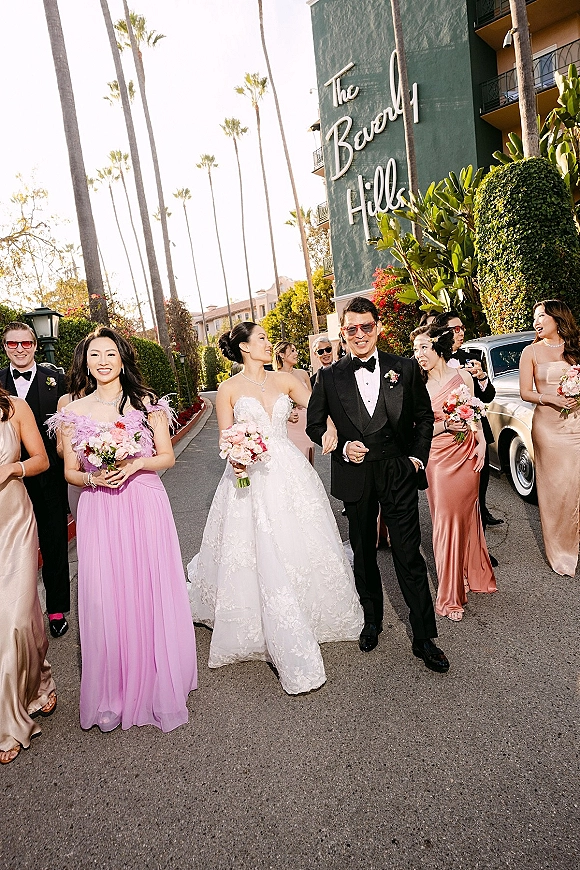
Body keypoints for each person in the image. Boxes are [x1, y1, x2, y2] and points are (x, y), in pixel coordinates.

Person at [187, 322, 363, 695]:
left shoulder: (285, 380)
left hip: (288, 467)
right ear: (246, 348)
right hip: (247, 475)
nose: (269, 343)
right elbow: (223, 437)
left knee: (300, 536)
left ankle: (310, 608)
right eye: (263, 338)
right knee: (257, 543)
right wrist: (235, 456)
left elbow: (320, 404)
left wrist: (330, 427)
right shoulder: (229, 390)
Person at [49, 327, 197, 733]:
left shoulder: (148, 403)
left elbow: (165, 456)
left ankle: (155, 680)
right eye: (94, 355)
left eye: (110, 354)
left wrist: (135, 464)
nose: (102, 361)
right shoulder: (71, 412)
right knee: (106, 593)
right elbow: (69, 471)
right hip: (99, 508)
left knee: (147, 586)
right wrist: (94, 480)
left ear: (122, 358)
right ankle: (113, 690)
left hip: (144, 500)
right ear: (85, 362)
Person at [307, 296, 449, 673]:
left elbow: (423, 417)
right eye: (351, 328)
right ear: (343, 332)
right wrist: (338, 447)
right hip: (355, 475)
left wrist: (416, 458)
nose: (359, 335)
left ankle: (423, 636)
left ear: (378, 327)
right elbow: (314, 423)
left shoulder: (404, 368)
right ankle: (372, 621)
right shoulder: (330, 375)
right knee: (364, 554)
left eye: (366, 326)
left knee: (408, 553)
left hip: (397, 471)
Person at [412, 325, 497, 620]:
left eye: (423, 347)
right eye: (414, 350)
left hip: (468, 453)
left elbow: (473, 414)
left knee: (467, 515)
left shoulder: (462, 377)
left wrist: (483, 443)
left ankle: (469, 574)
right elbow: (416, 432)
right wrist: (445, 426)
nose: (418, 354)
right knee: (445, 522)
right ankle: (449, 596)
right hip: (438, 458)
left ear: (438, 347)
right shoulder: (418, 388)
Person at [1, 322, 70, 638]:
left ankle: (56, 610)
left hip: (49, 477)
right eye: (12, 344)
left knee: (54, 542)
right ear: (5, 347)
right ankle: (17, 611)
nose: (19, 349)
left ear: (35, 345)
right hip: (8, 486)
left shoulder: (57, 381)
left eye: (25, 343)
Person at [0, 385, 56, 765]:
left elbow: (41, 460)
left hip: (13, 522)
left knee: (17, 620)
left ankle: (12, 722)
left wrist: (13, 467)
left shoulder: (14, 408)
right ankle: (37, 685)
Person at [519, 300, 580, 577]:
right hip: (548, 427)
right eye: (534, 317)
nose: (536, 321)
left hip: (577, 423)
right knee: (557, 488)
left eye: (541, 315)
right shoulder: (530, 351)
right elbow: (525, 393)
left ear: (557, 318)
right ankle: (562, 551)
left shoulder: (575, 348)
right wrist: (551, 398)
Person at [433, 310, 503, 532]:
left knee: (479, 485)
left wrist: (481, 377)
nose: (461, 332)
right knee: (457, 495)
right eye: (455, 329)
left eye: (462, 328)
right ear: (442, 333)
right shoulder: (433, 362)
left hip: (476, 433)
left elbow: (487, 397)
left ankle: (480, 528)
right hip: (445, 440)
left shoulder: (471, 357)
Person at [55, 337, 92, 520]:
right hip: (80, 483)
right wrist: (84, 448)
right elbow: (60, 449)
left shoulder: (123, 399)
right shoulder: (66, 402)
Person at [273, 340, 315, 464]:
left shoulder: (303, 374)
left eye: (296, 350)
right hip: (289, 426)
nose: (296, 353)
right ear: (281, 354)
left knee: (308, 460)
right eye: (292, 351)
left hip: (306, 424)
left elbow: (311, 400)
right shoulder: (274, 377)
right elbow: (271, 404)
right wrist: (287, 414)